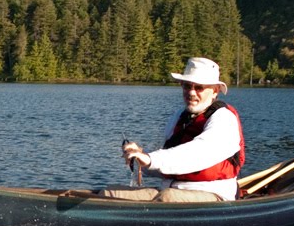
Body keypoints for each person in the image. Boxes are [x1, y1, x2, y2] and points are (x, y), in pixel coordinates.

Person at [103, 57, 245, 202]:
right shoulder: (179, 117)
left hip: (214, 195)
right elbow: (163, 165)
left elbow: (197, 154)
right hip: (171, 191)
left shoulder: (224, 119)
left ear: (215, 91)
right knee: (109, 193)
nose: (191, 92)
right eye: (187, 86)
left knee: (167, 197)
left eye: (199, 87)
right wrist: (139, 157)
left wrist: (151, 159)